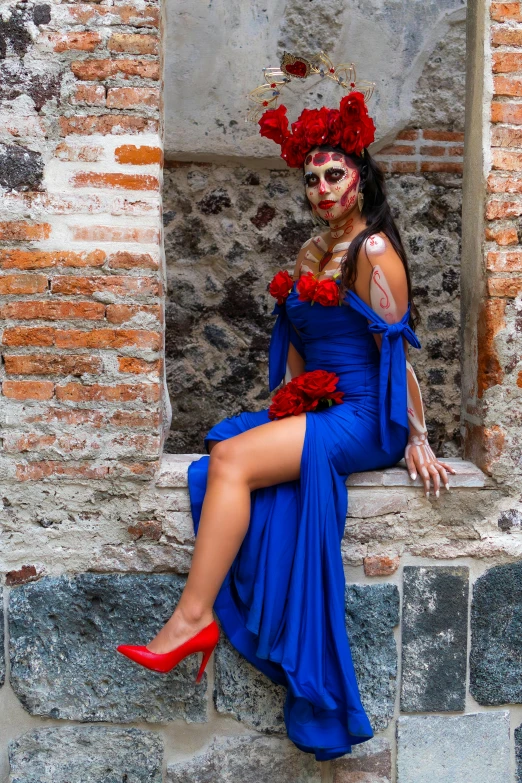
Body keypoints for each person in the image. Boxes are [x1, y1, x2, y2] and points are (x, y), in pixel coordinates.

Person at [117, 55, 456, 761]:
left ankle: (193, 617)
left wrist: (417, 435)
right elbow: (303, 342)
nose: (322, 186)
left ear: (361, 175)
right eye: (312, 177)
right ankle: (206, 613)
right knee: (227, 451)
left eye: (335, 173)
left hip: (367, 417)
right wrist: (292, 401)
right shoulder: (313, 249)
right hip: (328, 407)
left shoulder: (374, 251)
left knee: (234, 459)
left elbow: (398, 351)